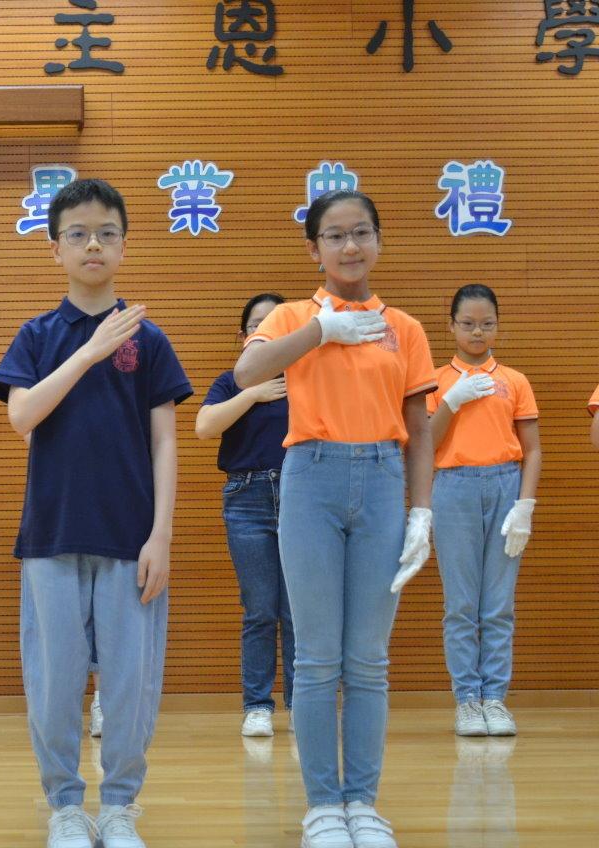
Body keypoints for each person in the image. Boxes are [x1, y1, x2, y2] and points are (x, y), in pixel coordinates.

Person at [0, 178, 192, 848]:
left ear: (124, 246)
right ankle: (66, 807)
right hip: (52, 535)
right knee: (54, 679)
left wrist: (161, 535)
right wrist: (90, 352)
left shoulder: (150, 339)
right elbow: (22, 415)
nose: (93, 245)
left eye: (106, 233)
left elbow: (165, 442)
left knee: (131, 682)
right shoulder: (38, 335)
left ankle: (121, 807)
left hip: (131, 537)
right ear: (56, 249)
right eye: (77, 234)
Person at [234, 189, 435, 848]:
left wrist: (421, 511)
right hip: (311, 478)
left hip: (381, 478)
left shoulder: (404, 327)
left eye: (362, 233)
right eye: (336, 235)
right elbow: (247, 372)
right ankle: (323, 805)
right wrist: (321, 330)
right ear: (314, 249)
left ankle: (363, 805)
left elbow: (419, 427)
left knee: (368, 659)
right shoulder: (292, 315)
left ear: (378, 240)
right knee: (318, 657)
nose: (351, 246)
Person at [428, 284, 540, 737]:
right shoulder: (435, 380)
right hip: (453, 487)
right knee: (461, 605)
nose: (477, 332)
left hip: (505, 484)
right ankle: (467, 701)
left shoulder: (514, 381)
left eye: (487, 323)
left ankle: (495, 698)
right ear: (451, 326)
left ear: (498, 326)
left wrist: (525, 505)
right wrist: (452, 400)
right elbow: (424, 444)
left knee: (498, 605)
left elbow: (532, 450)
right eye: (468, 323)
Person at [195, 293, 295, 738]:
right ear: (242, 337)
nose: (265, 334)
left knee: (298, 611)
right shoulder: (230, 382)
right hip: (247, 497)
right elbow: (204, 426)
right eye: (257, 326)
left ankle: (301, 705)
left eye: (276, 326)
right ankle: (257, 705)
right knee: (260, 609)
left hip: (301, 496)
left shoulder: (305, 378)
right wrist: (253, 392)